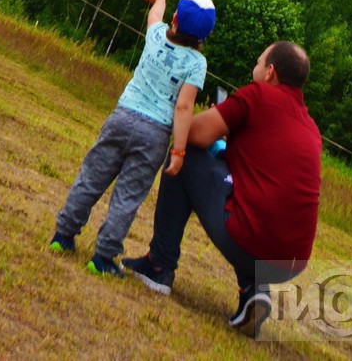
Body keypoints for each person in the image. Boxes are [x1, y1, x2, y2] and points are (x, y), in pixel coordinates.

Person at [124, 40, 322, 340]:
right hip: (292, 262)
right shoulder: (310, 127)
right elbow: (256, 171)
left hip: (250, 241)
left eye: (258, 63)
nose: (254, 68)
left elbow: (193, 134)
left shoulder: (258, 96)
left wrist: (198, 117)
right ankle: (254, 292)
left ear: (269, 72)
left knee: (184, 152)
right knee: (250, 199)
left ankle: (158, 266)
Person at [48, 0, 216, 277]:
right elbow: (184, 108)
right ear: (204, 37)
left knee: (91, 178)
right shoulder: (197, 63)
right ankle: (103, 257)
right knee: (127, 197)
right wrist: (178, 150)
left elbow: (155, 16)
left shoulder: (155, 35)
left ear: (174, 18)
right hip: (154, 135)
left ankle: (62, 236)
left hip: (122, 117)